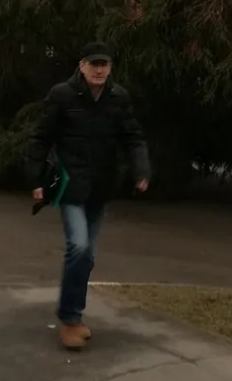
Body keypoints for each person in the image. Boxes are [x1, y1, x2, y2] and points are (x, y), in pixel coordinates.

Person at [23, 41, 150, 351]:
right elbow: (41, 138)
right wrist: (35, 178)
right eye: (93, 63)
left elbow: (133, 137)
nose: (99, 69)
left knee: (88, 255)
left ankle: (75, 318)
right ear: (81, 66)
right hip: (70, 186)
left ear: (110, 67)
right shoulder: (62, 96)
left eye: (104, 64)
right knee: (78, 247)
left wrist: (141, 170)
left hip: (101, 188)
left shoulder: (118, 97)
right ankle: (69, 320)